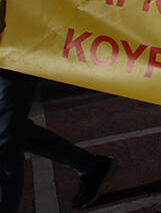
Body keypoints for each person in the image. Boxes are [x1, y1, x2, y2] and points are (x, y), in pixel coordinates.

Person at [0, 69, 116, 211]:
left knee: (5, 141)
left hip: (10, 64)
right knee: (15, 130)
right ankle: (91, 166)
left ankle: (91, 166)